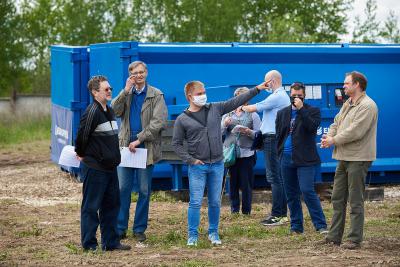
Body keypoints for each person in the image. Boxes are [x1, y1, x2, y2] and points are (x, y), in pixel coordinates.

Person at [172, 80, 268, 246]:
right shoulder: (182, 119)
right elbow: (176, 144)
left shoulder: (215, 108)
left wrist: (257, 89)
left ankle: (213, 233)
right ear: (189, 96)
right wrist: (191, 160)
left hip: (217, 164)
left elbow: (236, 101)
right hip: (198, 166)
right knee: (195, 202)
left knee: (215, 201)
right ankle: (192, 235)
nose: (203, 96)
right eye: (199, 93)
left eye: (204, 92)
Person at [320, 71, 378, 249]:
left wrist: (333, 140)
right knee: (337, 198)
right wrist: (329, 136)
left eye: (346, 83)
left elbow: (355, 131)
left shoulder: (368, 106)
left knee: (355, 199)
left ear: (357, 85)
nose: (343, 86)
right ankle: (334, 236)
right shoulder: (348, 103)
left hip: (358, 158)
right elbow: (335, 123)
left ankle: (354, 239)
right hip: (343, 157)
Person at [111, 61, 168, 242]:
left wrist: (140, 139)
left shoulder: (156, 95)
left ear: (147, 73)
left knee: (144, 190)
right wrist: (125, 91)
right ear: (130, 75)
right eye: (135, 73)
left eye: (141, 72)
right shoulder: (126, 93)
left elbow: (159, 122)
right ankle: (120, 228)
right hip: (126, 146)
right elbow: (114, 110)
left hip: (145, 145)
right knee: (122, 189)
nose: (139, 75)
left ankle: (139, 229)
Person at [75, 75, 131, 251]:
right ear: (94, 92)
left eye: (110, 89)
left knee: (111, 206)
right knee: (91, 207)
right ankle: (89, 244)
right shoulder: (92, 112)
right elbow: (82, 136)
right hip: (95, 168)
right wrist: (81, 153)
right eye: (106, 89)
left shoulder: (110, 111)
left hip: (110, 168)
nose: (109, 92)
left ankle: (111, 242)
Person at [276, 82, 327, 234]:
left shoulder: (313, 111)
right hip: (286, 158)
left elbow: (312, 127)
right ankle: (296, 227)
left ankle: (321, 225)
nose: (296, 98)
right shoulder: (282, 113)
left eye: (299, 96)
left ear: (304, 96)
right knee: (291, 194)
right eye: (293, 96)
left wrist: (301, 109)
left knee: (307, 190)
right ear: (289, 95)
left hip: (305, 159)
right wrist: (279, 153)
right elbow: (279, 134)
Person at [242, 70, 290, 226]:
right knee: (277, 177)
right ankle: (280, 214)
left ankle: (278, 215)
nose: (265, 85)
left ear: (272, 81)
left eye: (266, 82)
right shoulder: (281, 96)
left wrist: (240, 106)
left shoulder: (277, 96)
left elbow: (254, 108)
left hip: (272, 138)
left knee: (274, 177)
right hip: (272, 138)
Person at [221, 87, 261, 215]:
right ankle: (234, 210)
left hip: (247, 154)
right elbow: (219, 132)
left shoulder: (253, 114)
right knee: (232, 183)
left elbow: (259, 134)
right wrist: (225, 124)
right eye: (238, 98)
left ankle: (246, 211)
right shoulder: (227, 114)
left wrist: (248, 131)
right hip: (230, 154)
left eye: (243, 98)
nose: (241, 100)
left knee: (246, 184)